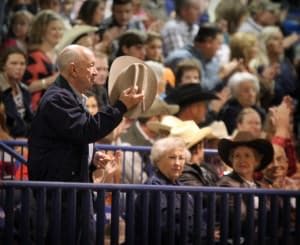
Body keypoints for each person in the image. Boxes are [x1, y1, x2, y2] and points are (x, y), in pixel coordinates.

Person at [27, 44, 144, 244]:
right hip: (60, 196)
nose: (95, 72)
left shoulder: (69, 96)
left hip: (72, 192)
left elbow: (72, 138)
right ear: (73, 69)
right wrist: (121, 106)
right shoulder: (57, 98)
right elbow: (85, 130)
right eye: (91, 66)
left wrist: (91, 157)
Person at [134, 136, 207, 245]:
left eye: (181, 158)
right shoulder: (153, 187)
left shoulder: (182, 188)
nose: (177, 163)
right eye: (172, 157)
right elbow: (164, 229)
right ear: (158, 160)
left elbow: (199, 222)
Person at [0, 47, 33, 138]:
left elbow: (30, 120)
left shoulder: (24, 90)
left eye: (22, 64)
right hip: (7, 145)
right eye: (13, 63)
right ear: (3, 66)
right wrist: (14, 145)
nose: (19, 67)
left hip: (25, 140)